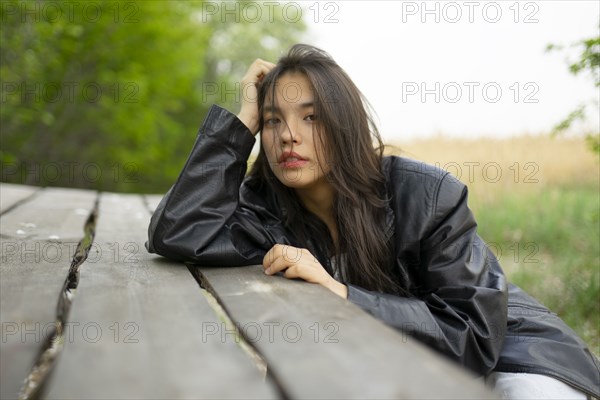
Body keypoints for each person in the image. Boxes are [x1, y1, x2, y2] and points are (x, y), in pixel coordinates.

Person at [146, 44, 599, 399]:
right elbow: (176, 231)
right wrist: (241, 120)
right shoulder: (267, 208)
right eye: (272, 120)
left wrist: (340, 294)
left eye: (311, 117)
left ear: (343, 124)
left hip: (516, 358)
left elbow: (474, 335)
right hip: (410, 370)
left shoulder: (425, 194)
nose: (288, 135)